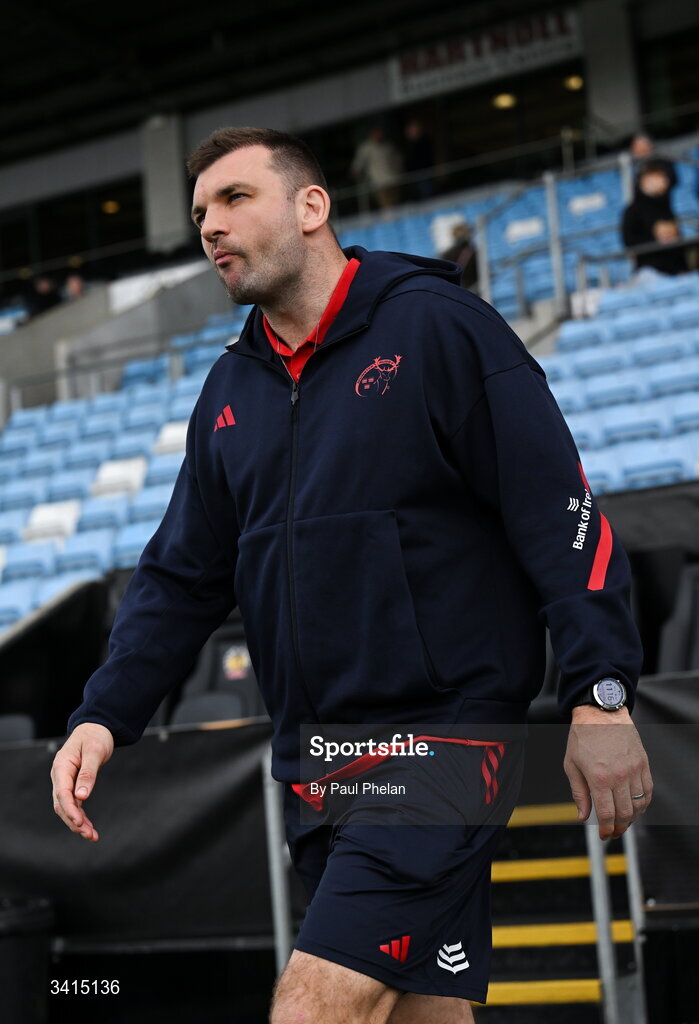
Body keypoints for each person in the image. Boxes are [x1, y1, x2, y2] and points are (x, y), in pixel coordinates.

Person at [52, 127, 652, 1024]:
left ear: (311, 206)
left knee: (310, 1008)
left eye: (234, 199)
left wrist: (598, 691)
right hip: (318, 760)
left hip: (442, 741)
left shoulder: (438, 326)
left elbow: (556, 510)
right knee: (418, 1015)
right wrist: (105, 712)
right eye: (199, 214)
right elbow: (178, 576)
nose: (210, 226)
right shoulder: (228, 391)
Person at [621, 160, 687, 276]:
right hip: (651, 271)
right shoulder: (633, 211)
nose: (664, 181)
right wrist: (657, 239)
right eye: (660, 177)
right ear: (646, 180)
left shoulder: (666, 206)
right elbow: (629, 240)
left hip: (676, 270)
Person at [350, 125, 403, 210]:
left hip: (393, 180)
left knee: (397, 204)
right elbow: (358, 163)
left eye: (380, 133)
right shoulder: (366, 148)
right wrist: (355, 171)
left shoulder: (388, 145)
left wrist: (398, 168)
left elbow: (398, 159)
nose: (379, 135)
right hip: (379, 182)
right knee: (387, 206)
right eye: (376, 133)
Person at [440, 220, 478, 290]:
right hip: (474, 290)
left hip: (456, 291)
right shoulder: (474, 252)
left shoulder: (446, 254)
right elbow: (481, 272)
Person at [403, 119, 435, 201]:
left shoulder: (424, 141)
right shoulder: (410, 145)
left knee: (427, 193)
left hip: (425, 171)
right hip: (414, 174)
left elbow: (426, 156)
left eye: (414, 130)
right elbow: (409, 159)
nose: (413, 132)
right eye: (411, 130)